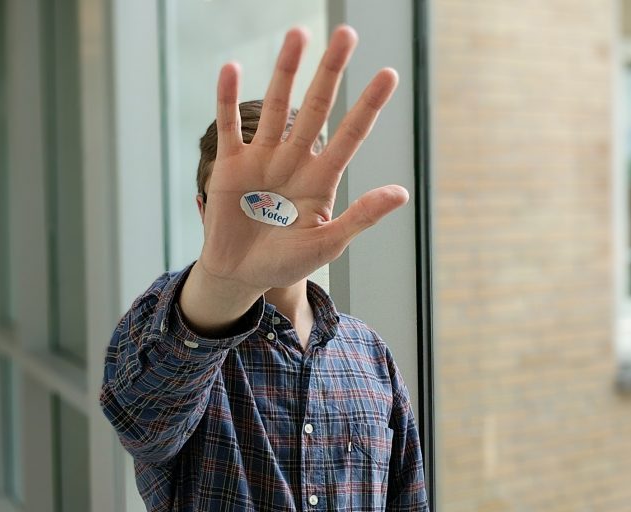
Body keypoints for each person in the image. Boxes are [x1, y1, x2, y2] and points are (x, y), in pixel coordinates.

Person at [100, 25, 428, 511]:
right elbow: (141, 423)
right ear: (201, 209)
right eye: (247, 204)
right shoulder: (167, 326)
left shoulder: (370, 355)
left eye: (281, 201)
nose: (267, 218)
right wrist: (223, 284)